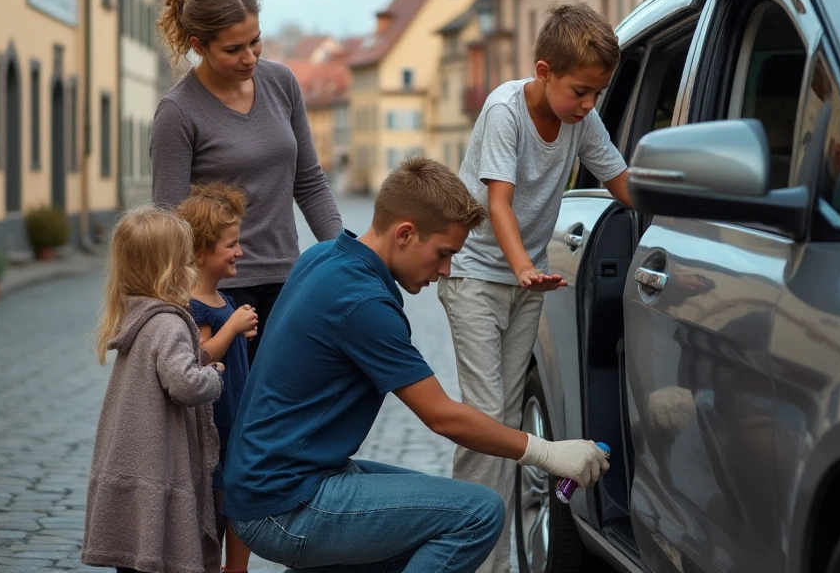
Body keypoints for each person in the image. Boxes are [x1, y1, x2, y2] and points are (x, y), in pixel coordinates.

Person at [223, 158, 610, 572]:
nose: (445, 271)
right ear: (405, 233)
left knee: (430, 516)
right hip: (286, 503)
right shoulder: (364, 303)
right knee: (478, 513)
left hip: (268, 486)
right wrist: (547, 453)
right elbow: (443, 416)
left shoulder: (323, 257)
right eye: (443, 254)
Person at [438, 1, 632, 572]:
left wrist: (687, 207)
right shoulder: (505, 111)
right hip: (476, 275)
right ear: (544, 72)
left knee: (503, 419)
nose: (589, 104)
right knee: (484, 417)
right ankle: (472, 555)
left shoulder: (579, 116)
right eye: (580, 91)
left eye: (598, 93)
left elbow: (620, 181)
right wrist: (522, 265)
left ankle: (491, 554)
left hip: (527, 283)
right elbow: (497, 201)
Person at [152, 0, 343, 365]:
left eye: (255, 42)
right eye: (233, 49)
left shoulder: (282, 83)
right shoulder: (178, 112)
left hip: (287, 281)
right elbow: (168, 221)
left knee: (279, 410)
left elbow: (308, 182)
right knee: (230, 414)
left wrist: (343, 254)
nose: (250, 57)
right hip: (218, 294)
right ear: (198, 45)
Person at [81, 207, 224, 573]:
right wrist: (214, 376)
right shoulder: (168, 323)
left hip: (129, 461)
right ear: (173, 268)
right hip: (158, 464)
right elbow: (185, 383)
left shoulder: (135, 314)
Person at [175, 182, 259, 573]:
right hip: (215, 426)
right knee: (219, 500)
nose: (239, 251)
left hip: (236, 422)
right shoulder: (192, 306)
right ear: (199, 251)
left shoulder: (222, 300)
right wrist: (231, 329)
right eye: (230, 244)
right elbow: (201, 358)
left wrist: (237, 329)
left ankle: (237, 567)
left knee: (240, 494)